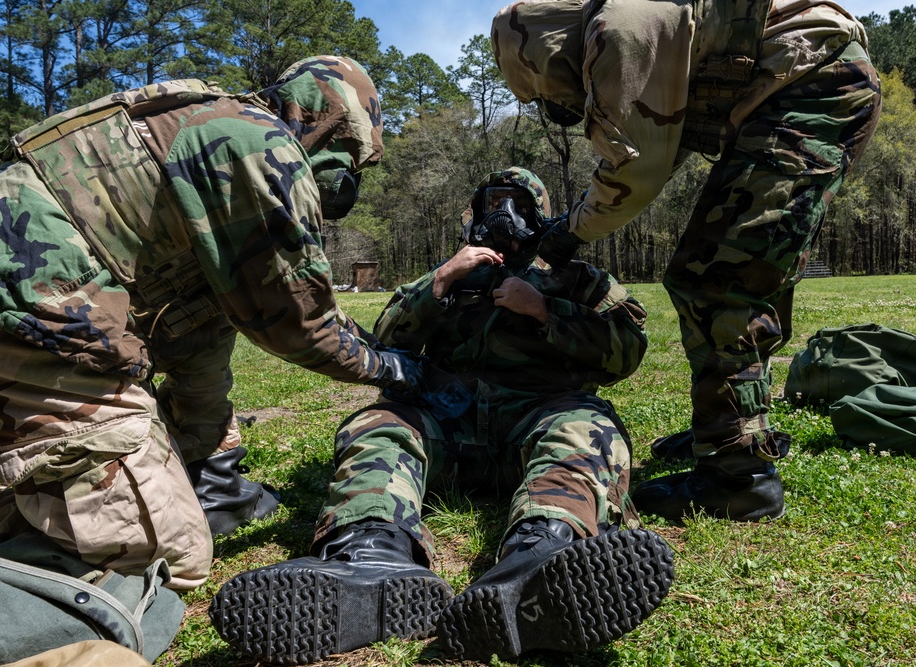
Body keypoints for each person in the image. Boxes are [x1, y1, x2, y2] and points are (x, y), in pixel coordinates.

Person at [209, 167, 675, 664]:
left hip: (538, 420)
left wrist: (544, 309)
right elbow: (385, 343)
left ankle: (543, 554)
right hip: (451, 430)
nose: (503, 215)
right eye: (492, 202)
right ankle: (370, 554)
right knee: (380, 425)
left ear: (541, 216)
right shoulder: (451, 273)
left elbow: (627, 351)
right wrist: (440, 283)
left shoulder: (578, 279)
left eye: (517, 204)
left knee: (586, 428)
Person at [0, 55, 425, 590]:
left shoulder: (222, 123)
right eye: (351, 163)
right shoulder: (259, 145)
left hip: (42, 305)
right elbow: (295, 321)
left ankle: (200, 483)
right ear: (336, 126)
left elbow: (210, 326)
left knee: (207, 326)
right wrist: (394, 370)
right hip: (33, 317)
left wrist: (213, 465)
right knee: (162, 553)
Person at [491, 0, 882, 522]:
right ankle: (727, 429)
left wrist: (570, 233)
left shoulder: (619, 30)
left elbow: (637, 169)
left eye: (547, 93)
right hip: (806, 84)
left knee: (716, 279)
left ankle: (737, 475)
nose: (561, 105)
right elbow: (662, 144)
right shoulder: (628, 22)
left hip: (811, 86)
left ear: (540, 57)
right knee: (740, 272)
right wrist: (576, 222)